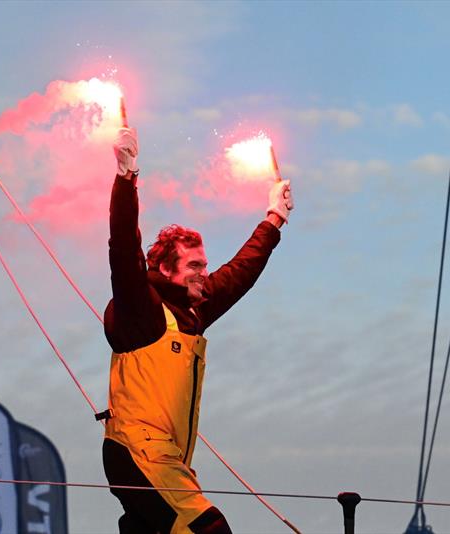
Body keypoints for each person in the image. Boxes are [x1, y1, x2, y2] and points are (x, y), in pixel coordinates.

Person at [100, 127, 293, 534]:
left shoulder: (192, 313)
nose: (203, 274)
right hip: (137, 454)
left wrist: (273, 219)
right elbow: (123, 249)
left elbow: (240, 274)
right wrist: (126, 177)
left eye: (204, 266)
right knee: (207, 528)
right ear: (166, 269)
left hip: (168, 459)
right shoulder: (144, 310)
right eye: (194, 267)